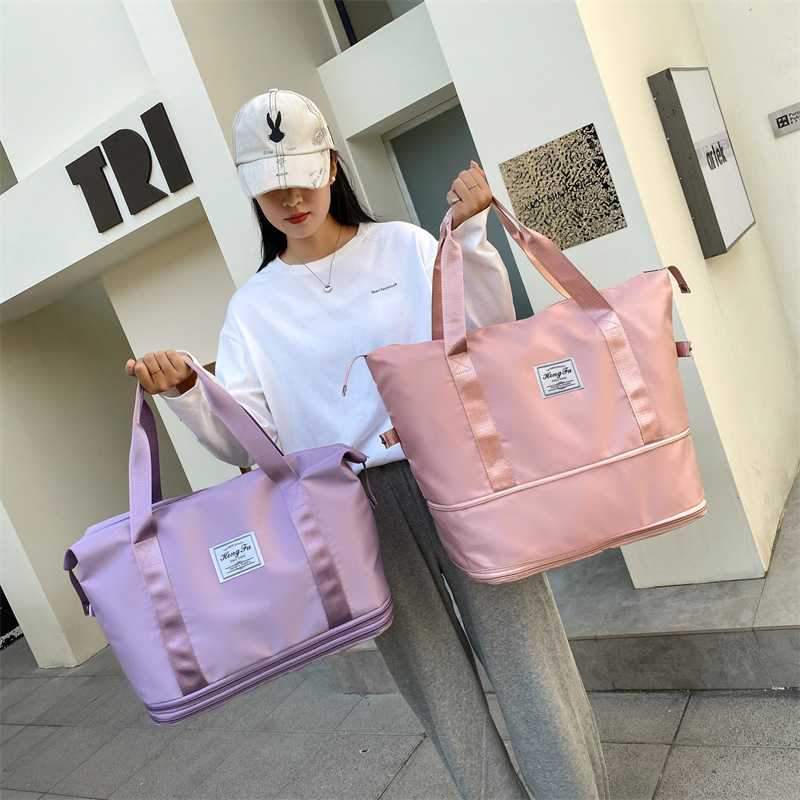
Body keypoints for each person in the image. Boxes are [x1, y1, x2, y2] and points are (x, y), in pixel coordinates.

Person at [127, 89, 609, 800]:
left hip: (453, 472)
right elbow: (246, 441)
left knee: (528, 658)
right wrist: (189, 392)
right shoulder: (253, 309)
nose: (291, 198)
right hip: (350, 509)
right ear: (251, 192)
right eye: (271, 186)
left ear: (330, 166)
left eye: (303, 174)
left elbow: (482, 336)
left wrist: (470, 237)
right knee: (437, 686)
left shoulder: (405, 246)